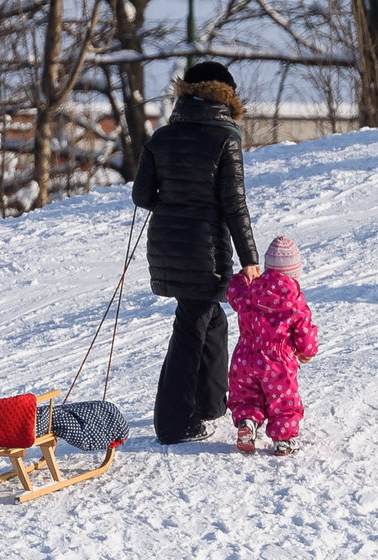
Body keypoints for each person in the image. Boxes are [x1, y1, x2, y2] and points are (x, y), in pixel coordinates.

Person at [132, 61, 260, 445]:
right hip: (205, 250)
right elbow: (234, 203)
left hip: (168, 246)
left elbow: (142, 196)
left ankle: (208, 405)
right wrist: (250, 258)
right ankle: (173, 424)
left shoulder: (162, 136)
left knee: (211, 320)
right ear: (227, 96)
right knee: (191, 326)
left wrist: (173, 202)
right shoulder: (226, 138)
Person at [226, 236, 318, 456]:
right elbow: (304, 332)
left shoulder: (251, 291)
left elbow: (233, 294)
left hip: (245, 358)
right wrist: (307, 352)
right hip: (278, 363)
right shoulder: (295, 301)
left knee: (247, 396)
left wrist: (241, 277)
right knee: (284, 401)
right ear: (295, 274)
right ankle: (284, 440)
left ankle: (247, 423)